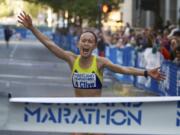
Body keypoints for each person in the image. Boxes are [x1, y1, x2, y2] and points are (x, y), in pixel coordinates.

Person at [18, 11, 165, 135]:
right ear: (78, 44)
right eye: (84, 41)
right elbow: (50, 44)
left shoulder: (100, 62)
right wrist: (32, 28)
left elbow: (124, 69)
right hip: (78, 115)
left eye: (90, 41)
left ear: (94, 46)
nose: (86, 43)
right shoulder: (71, 59)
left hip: (97, 116)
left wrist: (146, 72)